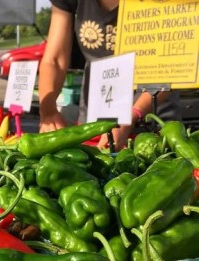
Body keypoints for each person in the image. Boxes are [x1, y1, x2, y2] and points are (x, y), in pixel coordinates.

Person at [38, 0, 181, 149]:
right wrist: (48, 110)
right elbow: (54, 60)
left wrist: (131, 117)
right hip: (93, 125)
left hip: (151, 127)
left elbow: (172, 64)